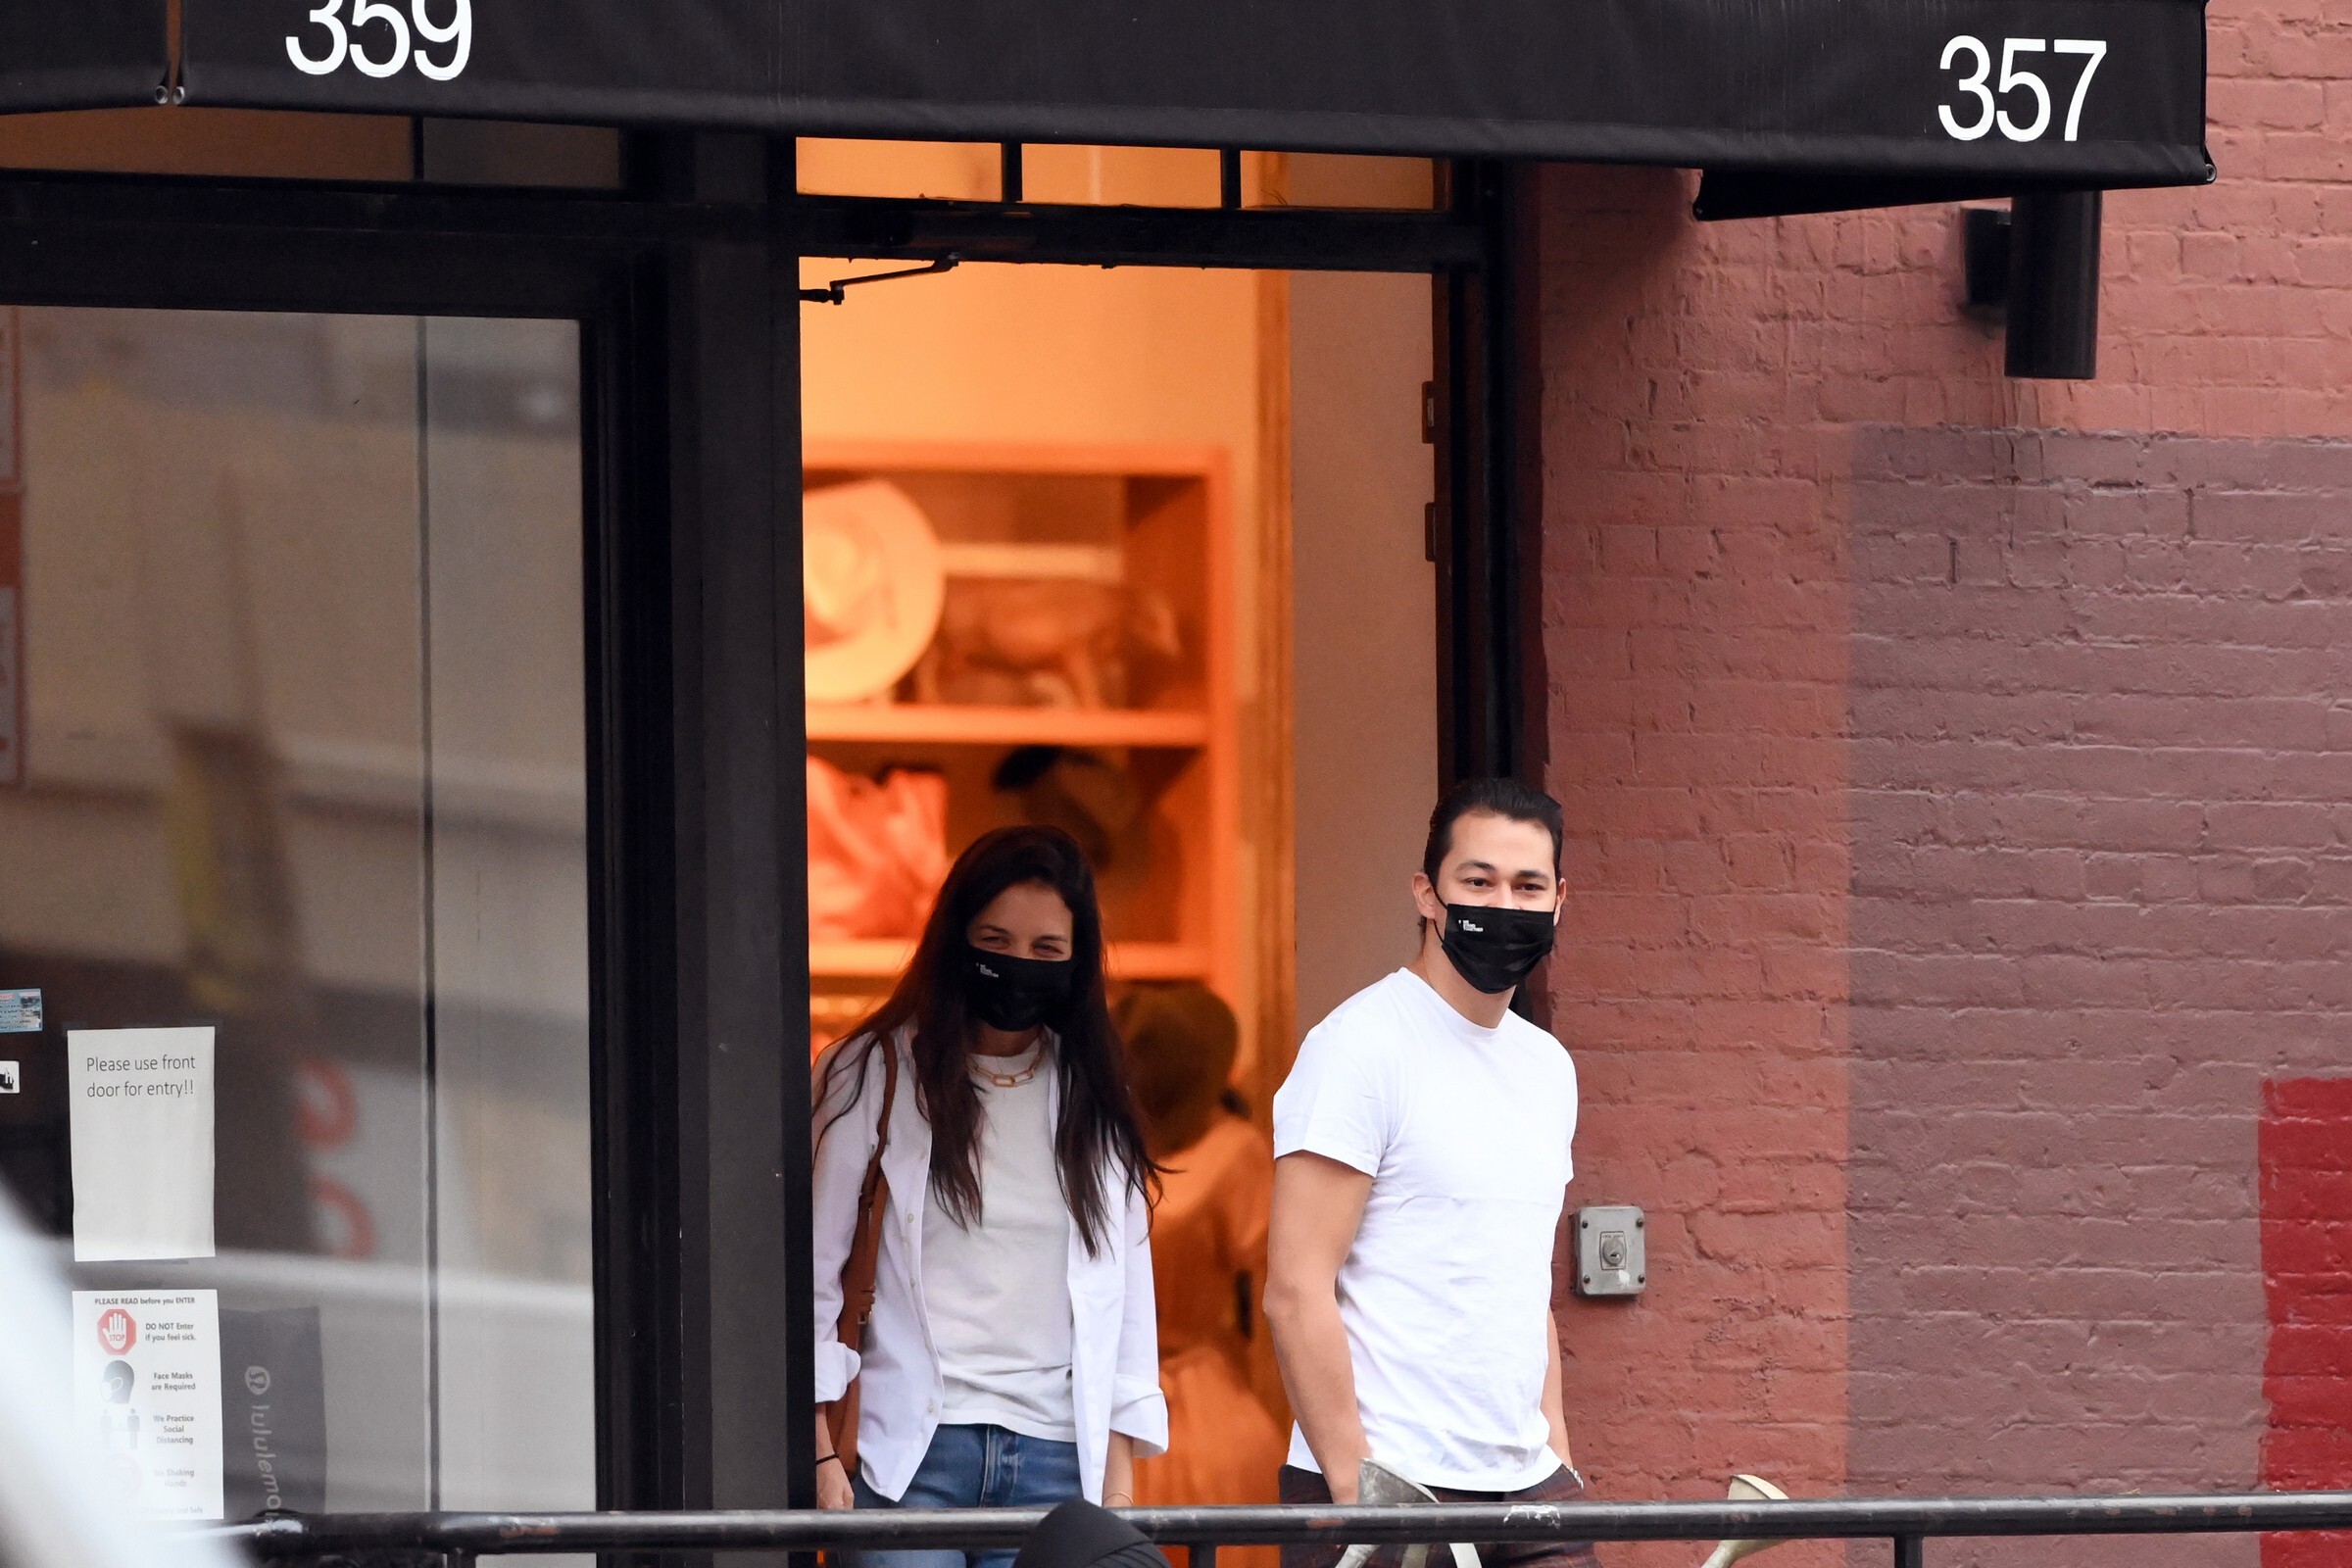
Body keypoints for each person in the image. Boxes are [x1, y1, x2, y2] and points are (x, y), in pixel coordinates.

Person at [811, 825, 1168, 1568]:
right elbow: (814, 1273)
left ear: (1076, 959)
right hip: (907, 1458)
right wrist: (818, 1451)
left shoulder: (1094, 1093)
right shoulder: (872, 1073)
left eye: (1046, 949)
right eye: (995, 941)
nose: (1018, 965)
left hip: (1057, 1470)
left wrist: (1117, 1496)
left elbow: (1127, 1304)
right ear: (957, 940)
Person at [1262, 778, 1598, 1568]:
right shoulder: (1359, 1047)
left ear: (1559, 903)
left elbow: (1523, 1285)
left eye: (1528, 887)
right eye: (1478, 881)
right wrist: (1360, 1497)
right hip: (1392, 1491)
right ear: (1427, 893)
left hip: (1529, 1491)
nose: (1504, 905)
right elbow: (1295, 1289)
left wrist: (1557, 1459)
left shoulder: (1548, 1067)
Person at [1115, 984, 1285, 1568]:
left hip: (1191, 1404)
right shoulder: (1101, 1149)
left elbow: (1285, 1292)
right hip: (1125, 1394)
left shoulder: (1233, 1152)